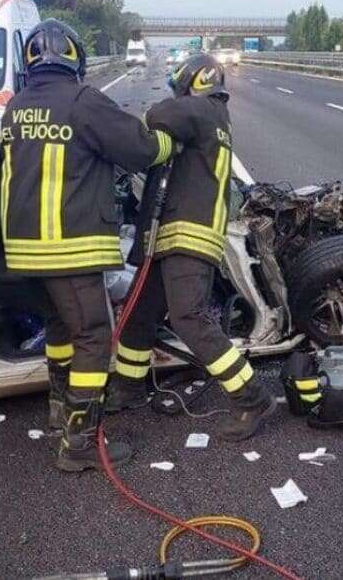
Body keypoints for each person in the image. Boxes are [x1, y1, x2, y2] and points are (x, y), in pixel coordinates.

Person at [0, 18, 176, 472]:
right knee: (94, 338)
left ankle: (60, 409)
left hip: (24, 250)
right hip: (70, 247)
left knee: (59, 330)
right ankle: (79, 443)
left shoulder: (15, 107)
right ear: (76, 59)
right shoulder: (82, 101)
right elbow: (140, 149)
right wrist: (168, 140)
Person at [110, 53, 275, 441]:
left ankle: (252, 397)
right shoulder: (213, 120)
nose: (178, 95)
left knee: (189, 317)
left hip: (190, 233)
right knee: (139, 314)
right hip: (172, 236)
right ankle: (129, 386)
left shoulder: (204, 111)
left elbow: (160, 115)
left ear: (195, 84)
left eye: (181, 87)